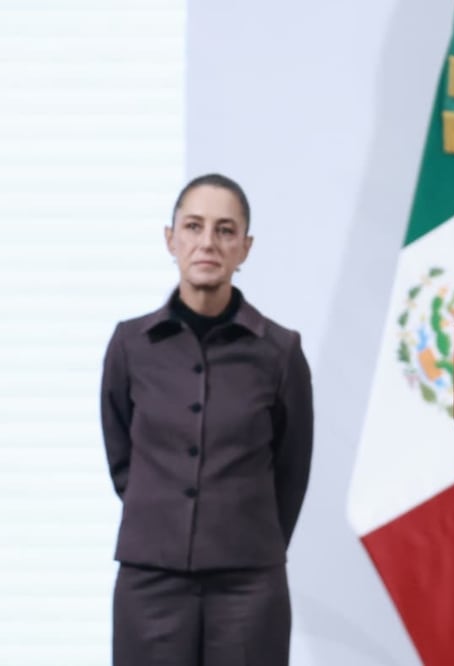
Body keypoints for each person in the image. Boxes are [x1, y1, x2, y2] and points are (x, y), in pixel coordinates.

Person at [100, 174, 314, 665]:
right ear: (170, 239)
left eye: (225, 230)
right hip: (149, 580)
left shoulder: (279, 352)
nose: (207, 243)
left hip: (248, 584)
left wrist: (242, 533)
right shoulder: (130, 345)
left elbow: (291, 468)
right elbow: (121, 457)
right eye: (193, 227)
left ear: (245, 247)